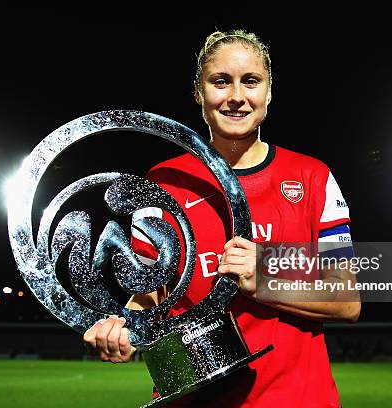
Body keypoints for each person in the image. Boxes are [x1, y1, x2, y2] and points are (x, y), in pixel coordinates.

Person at [84, 29, 360, 407]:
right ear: (199, 92)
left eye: (250, 81)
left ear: (268, 92)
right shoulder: (163, 182)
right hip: (193, 398)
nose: (236, 97)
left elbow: (347, 298)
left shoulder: (313, 177)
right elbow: (148, 293)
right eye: (220, 82)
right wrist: (121, 328)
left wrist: (263, 278)